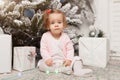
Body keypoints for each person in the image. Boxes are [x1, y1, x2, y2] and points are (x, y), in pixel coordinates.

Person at [37, 9, 92, 76]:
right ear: (48, 26)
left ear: (63, 24)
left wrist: (69, 59)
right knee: (41, 65)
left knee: (77, 59)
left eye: (59, 22)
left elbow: (70, 49)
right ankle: (58, 70)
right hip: (51, 63)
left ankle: (78, 71)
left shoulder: (65, 37)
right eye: (53, 23)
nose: (56, 25)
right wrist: (47, 58)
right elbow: (43, 49)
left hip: (64, 62)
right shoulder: (45, 36)